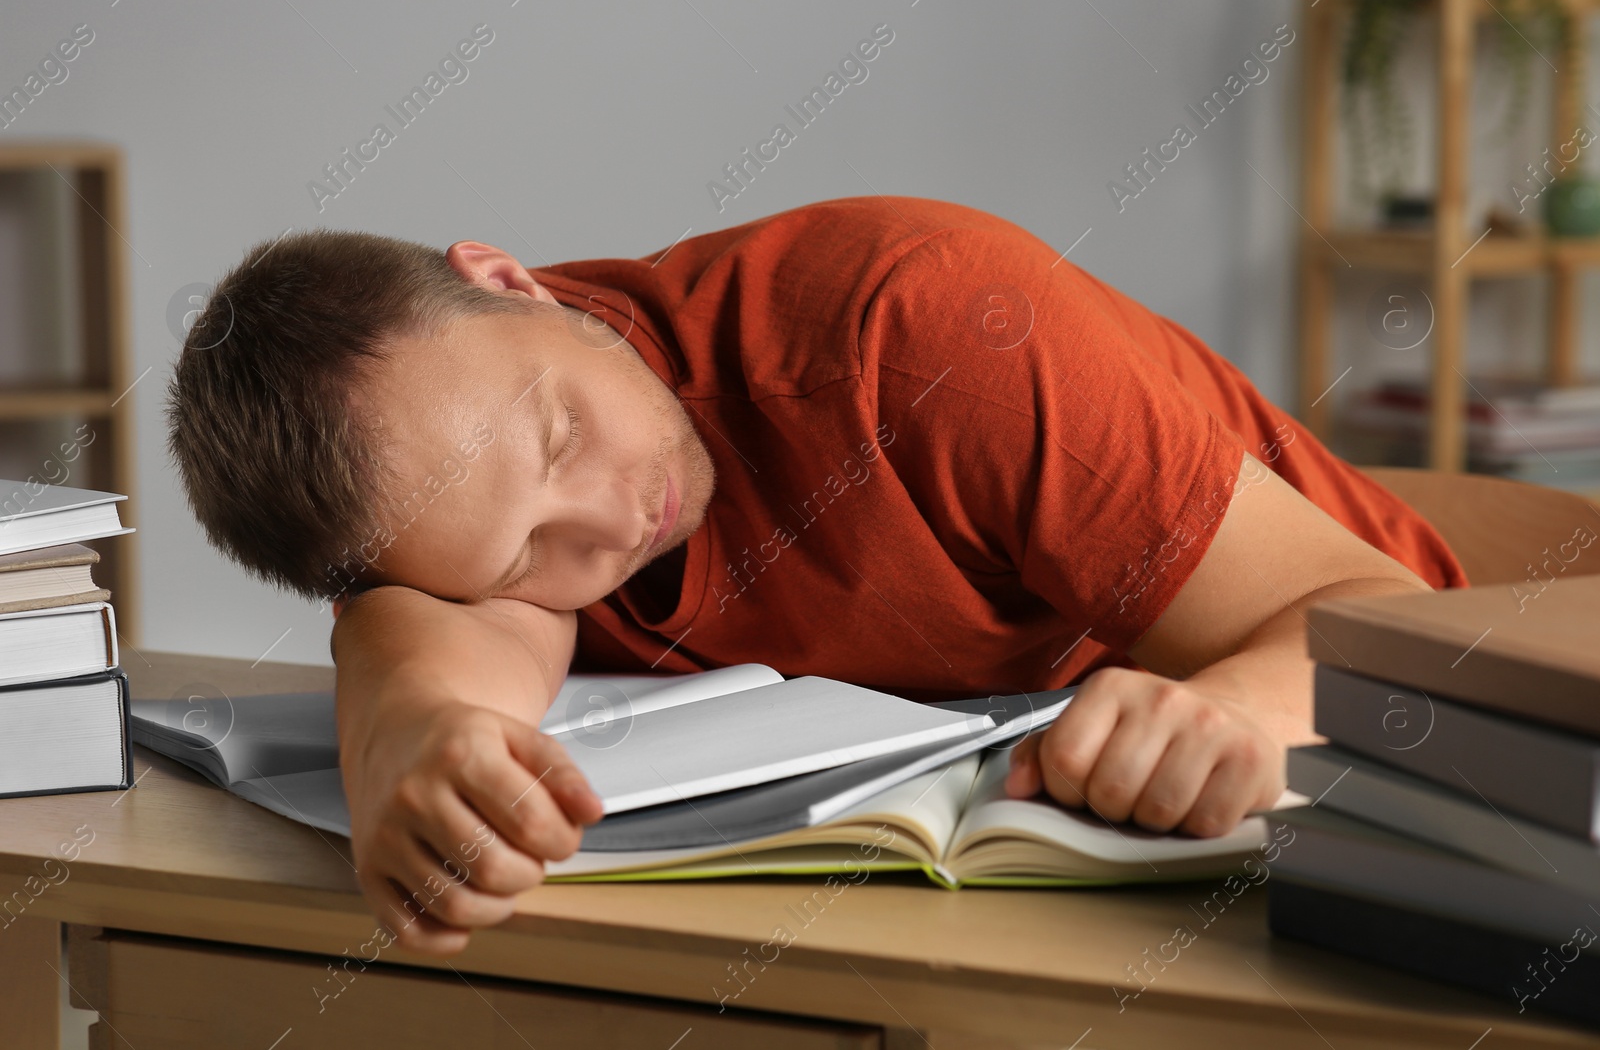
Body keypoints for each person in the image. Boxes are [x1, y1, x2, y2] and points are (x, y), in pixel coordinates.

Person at [165, 195, 1466, 955]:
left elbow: (1399, 628)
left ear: (508, 282)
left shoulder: (926, 326)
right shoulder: (434, 504)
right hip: (1046, 919)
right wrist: (419, 744)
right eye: (524, 555)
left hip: (1421, 790)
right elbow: (427, 645)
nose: (611, 520)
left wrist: (1235, 711)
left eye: (560, 431)